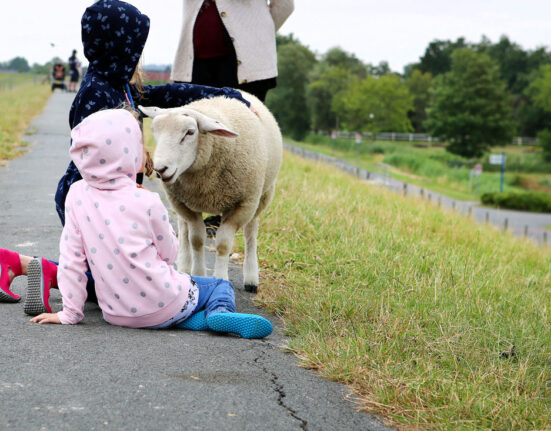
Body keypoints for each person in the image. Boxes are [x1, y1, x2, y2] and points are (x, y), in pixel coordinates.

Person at [0, 0, 257, 312]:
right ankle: (28, 266)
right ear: (119, 47)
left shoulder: (120, 85)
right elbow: (91, 151)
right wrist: (139, 154)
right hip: (91, 197)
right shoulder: (95, 93)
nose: (138, 55)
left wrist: (227, 94)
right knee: (122, 287)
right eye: (135, 46)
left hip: (113, 199)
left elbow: (167, 93)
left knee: (119, 280)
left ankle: (18, 265)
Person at [27, 108, 272, 339]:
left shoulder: (77, 195)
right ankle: (219, 314)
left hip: (115, 313)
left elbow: (71, 260)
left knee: (172, 301)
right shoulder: (147, 200)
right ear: (127, 153)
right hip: (164, 301)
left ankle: (191, 320)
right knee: (219, 285)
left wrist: (69, 313)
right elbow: (170, 253)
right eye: (140, 144)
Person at [171, 0, 295, 103]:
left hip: (246, 68)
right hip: (194, 64)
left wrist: (258, 37)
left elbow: (285, 4)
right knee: (193, 129)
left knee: (243, 128)